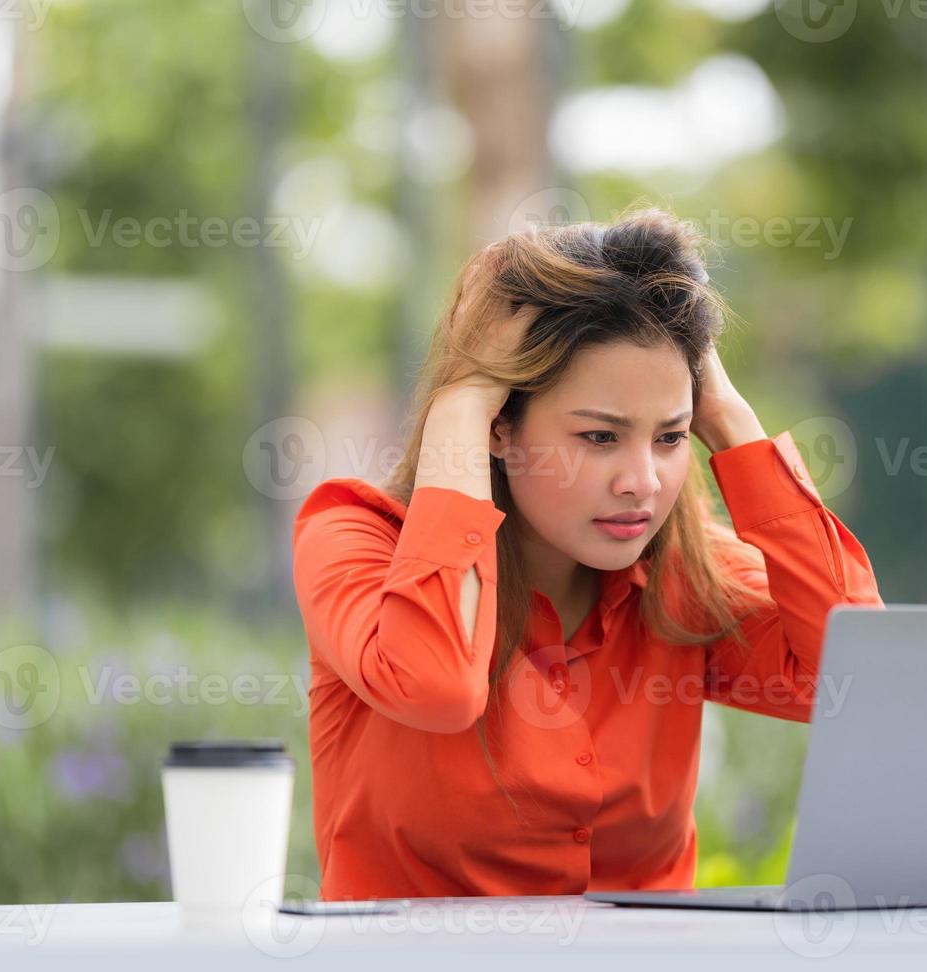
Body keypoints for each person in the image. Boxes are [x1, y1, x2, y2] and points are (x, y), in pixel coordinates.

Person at [290, 206, 884, 900]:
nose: (643, 482)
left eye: (669, 438)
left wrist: (727, 415)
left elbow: (862, 681)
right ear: (499, 429)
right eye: (600, 438)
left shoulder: (685, 574)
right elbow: (438, 685)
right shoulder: (353, 538)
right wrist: (458, 403)